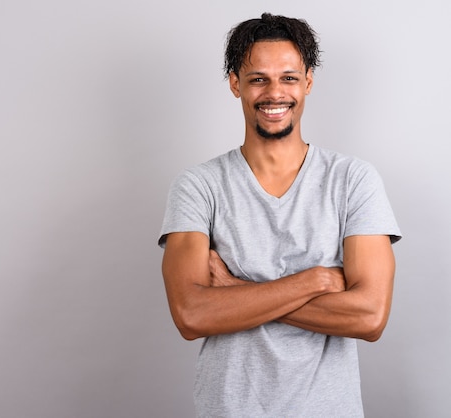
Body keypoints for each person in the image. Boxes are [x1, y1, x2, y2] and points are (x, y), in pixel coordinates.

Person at [158, 12, 402, 418]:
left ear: (308, 82)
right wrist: (316, 280)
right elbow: (191, 314)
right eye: (258, 79)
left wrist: (234, 289)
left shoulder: (352, 180)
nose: (275, 93)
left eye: (288, 77)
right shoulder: (198, 186)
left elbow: (370, 318)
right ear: (236, 83)